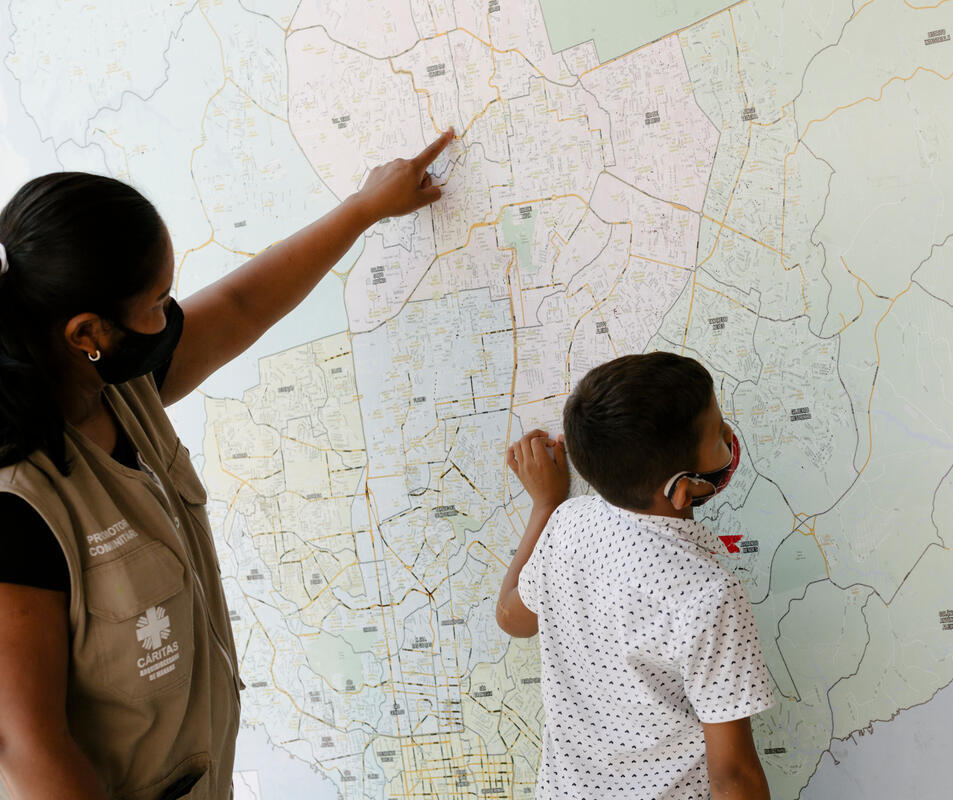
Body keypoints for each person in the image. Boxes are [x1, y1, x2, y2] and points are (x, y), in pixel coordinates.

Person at [0, 128, 454, 799]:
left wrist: (363, 210)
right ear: (88, 333)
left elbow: (240, 305)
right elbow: (24, 743)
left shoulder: (118, 388)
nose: (168, 318)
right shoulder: (19, 504)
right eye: (156, 304)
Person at [495, 352, 775, 800]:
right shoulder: (708, 594)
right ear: (682, 489)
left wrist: (545, 505)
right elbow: (734, 777)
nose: (729, 434)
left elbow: (513, 618)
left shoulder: (567, 525)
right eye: (718, 435)